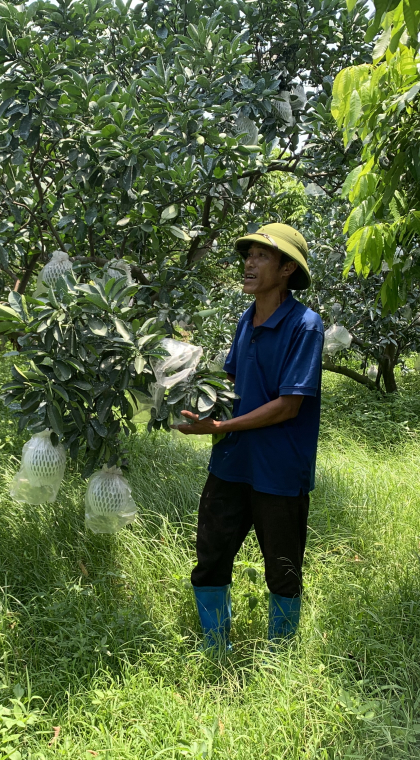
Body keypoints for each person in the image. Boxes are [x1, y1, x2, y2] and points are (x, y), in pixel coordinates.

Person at [174, 223, 324, 650]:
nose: (249, 263)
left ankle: (280, 654)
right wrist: (198, 404)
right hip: (232, 463)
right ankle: (214, 645)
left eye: (261, 256)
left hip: (278, 468)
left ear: (287, 270)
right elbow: (232, 381)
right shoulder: (247, 319)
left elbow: (288, 404)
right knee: (211, 556)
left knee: (282, 566)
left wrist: (220, 427)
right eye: (248, 255)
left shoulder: (305, 325)